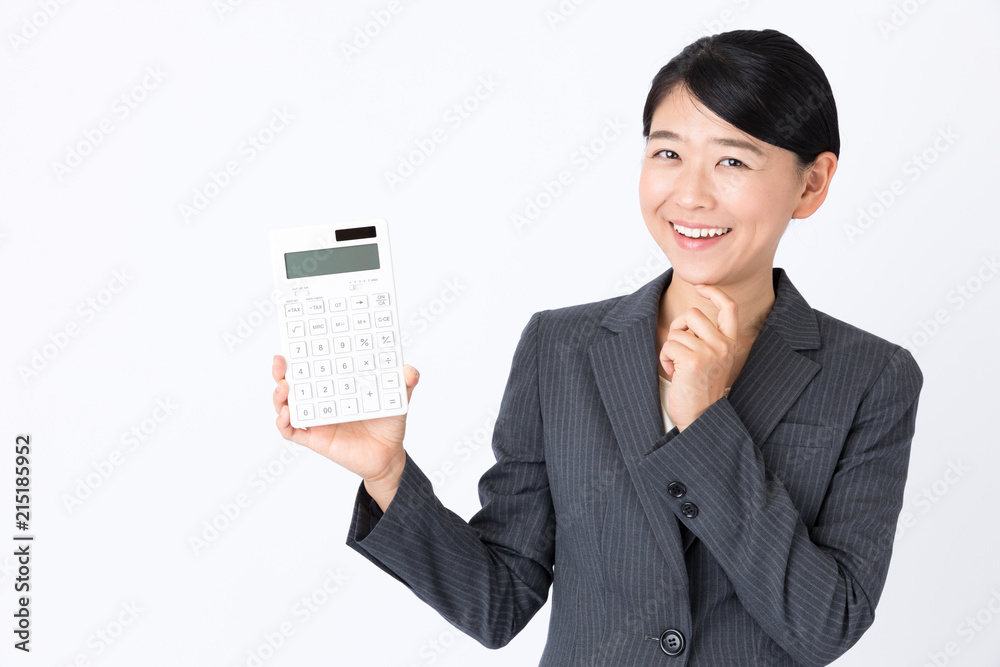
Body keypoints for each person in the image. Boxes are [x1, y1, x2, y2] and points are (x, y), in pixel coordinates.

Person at [271, 28, 922, 666]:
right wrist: (386, 473)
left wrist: (706, 423)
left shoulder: (871, 376)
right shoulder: (560, 347)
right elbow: (499, 601)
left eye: (732, 159)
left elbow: (823, 625)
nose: (689, 193)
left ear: (812, 184)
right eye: (667, 153)